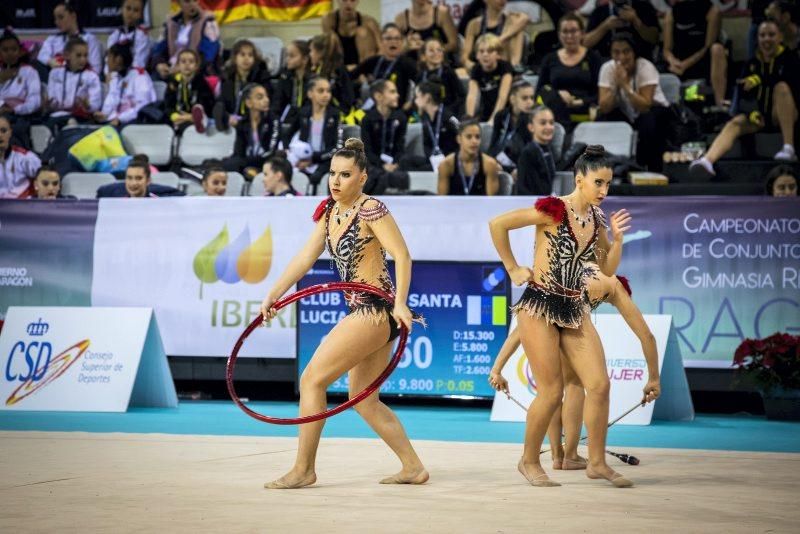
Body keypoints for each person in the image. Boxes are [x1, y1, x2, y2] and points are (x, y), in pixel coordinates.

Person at [259, 138, 428, 489]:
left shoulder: (371, 210)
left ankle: (304, 469)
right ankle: (413, 466)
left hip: (375, 310)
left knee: (312, 380)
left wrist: (400, 303)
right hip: (365, 311)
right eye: (333, 174)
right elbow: (304, 259)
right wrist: (273, 294)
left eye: (345, 175)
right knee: (363, 399)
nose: (336, 181)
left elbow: (403, 255)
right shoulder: (329, 212)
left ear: (362, 177)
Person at [488, 145, 636, 487]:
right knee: (552, 392)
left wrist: (617, 240)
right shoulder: (553, 210)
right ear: (579, 179)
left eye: (608, 184)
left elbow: (606, 269)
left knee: (598, 384)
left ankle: (596, 462)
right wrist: (512, 267)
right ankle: (528, 460)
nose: (604, 191)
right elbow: (498, 224)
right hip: (539, 304)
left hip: (573, 305)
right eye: (598, 182)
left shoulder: (597, 219)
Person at [488, 267, 661, 470]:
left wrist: (496, 369)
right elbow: (647, 336)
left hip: (542, 303)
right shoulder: (614, 286)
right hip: (566, 306)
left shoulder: (583, 265)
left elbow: (519, 332)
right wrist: (654, 378)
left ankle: (556, 455)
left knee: (550, 390)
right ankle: (570, 455)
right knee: (575, 383)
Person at [690, 19, 800, 175]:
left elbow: (792, 84)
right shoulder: (751, 63)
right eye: (762, 35)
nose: (766, 39)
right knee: (735, 123)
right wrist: (752, 113)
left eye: (771, 35)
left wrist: (760, 79)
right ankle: (707, 160)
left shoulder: (791, 59)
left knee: (781, 88)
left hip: (784, 114)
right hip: (760, 117)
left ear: (780, 37)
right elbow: (741, 96)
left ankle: (789, 147)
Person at [598, 33, 671, 171]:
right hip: (628, 114)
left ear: (634, 52)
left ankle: (649, 168)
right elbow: (604, 107)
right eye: (616, 52)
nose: (621, 57)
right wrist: (615, 87)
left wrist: (625, 85)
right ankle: (612, 166)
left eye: (626, 52)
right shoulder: (607, 69)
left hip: (656, 114)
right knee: (604, 117)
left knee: (647, 120)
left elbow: (645, 106)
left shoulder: (645, 67)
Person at [535, 13, 603, 130]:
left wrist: (580, 102)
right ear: (559, 34)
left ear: (582, 33)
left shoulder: (593, 58)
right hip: (555, 117)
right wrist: (557, 95)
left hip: (586, 115)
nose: (569, 36)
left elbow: (600, 93)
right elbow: (539, 91)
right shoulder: (549, 59)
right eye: (565, 32)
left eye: (573, 31)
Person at [282, 76, 343, 194]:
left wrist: (313, 158)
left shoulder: (334, 115)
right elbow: (286, 135)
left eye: (328, 91)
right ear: (310, 94)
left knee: (316, 177)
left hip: (325, 160)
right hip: (302, 159)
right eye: (321, 91)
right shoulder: (303, 113)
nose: (326, 95)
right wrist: (287, 151)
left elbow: (338, 147)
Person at [662, 0, 727, 107]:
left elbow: (707, 47)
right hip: (677, 64)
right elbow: (666, 49)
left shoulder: (712, 11)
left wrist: (685, 65)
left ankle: (719, 104)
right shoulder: (671, 13)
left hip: (701, 62)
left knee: (717, 49)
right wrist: (672, 61)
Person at [399, 80, 460, 172]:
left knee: (419, 171)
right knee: (405, 161)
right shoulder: (426, 118)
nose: (415, 101)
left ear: (427, 97)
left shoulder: (448, 117)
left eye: (417, 97)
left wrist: (447, 160)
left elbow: (461, 139)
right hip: (434, 160)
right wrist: (432, 158)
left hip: (451, 161)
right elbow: (426, 145)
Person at [45, 37, 103, 132]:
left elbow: (95, 105)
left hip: (80, 117)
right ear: (66, 55)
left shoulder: (92, 76)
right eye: (78, 55)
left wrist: (87, 105)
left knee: (70, 122)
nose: (83, 59)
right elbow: (52, 99)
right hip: (56, 115)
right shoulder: (55, 73)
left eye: (85, 55)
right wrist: (47, 104)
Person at [361, 80, 409, 194]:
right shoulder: (368, 119)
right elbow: (367, 150)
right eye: (392, 92)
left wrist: (395, 163)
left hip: (395, 164)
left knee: (404, 170)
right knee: (376, 174)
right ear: (378, 96)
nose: (397, 95)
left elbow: (400, 146)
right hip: (374, 164)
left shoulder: (401, 117)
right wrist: (382, 165)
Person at [355, 24, 418, 110]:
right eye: (388, 38)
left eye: (397, 38)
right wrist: (361, 81)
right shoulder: (373, 61)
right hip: (372, 109)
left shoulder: (409, 64)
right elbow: (350, 76)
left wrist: (409, 104)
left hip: (397, 111)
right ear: (381, 42)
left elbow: (420, 86)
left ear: (402, 42)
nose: (393, 42)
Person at [151, 0, 221, 78]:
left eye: (195, 0)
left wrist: (184, 67)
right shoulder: (170, 22)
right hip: (171, 69)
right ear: (178, 3)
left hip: (198, 72)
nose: (192, 4)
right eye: (187, 1)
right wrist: (160, 64)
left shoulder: (208, 22)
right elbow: (159, 49)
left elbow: (208, 55)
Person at [213, 39, 272, 131]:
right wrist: (229, 117)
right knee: (219, 107)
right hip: (233, 116)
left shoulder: (262, 76)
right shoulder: (228, 77)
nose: (246, 58)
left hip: (254, 117)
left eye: (250, 55)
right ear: (235, 58)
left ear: (254, 59)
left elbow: (265, 102)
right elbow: (222, 100)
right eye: (242, 55)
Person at [94, 44, 156, 127]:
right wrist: (104, 115)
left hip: (133, 125)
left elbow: (143, 106)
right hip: (113, 124)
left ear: (118, 59)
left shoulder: (140, 76)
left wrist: (120, 119)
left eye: (109, 56)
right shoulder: (115, 78)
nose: (106, 60)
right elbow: (111, 102)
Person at [224, 83, 279, 177]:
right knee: (223, 164)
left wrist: (247, 162)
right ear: (249, 103)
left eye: (267, 96)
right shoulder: (242, 124)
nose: (266, 100)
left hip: (267, 163)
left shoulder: (274, 121)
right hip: (247, 163)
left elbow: (270, 152)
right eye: (260, 97)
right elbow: (239, 152)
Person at [0, 30, 42, 148]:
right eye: (5, 50)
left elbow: (35, 101)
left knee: (15, 129)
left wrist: (15, 109)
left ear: (19, 51)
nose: (10, 53)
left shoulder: (29, 72)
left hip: (20, 116)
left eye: (14, 49)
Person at [37, 1, 103, 74]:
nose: (57, 22)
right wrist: (50, 61)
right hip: (58, 79)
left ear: (73, 16)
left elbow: (96, 69)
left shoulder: (90, 39)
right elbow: (41, 56)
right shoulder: (52, 39)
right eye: (55, 19)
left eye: (61, 17)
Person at [437, 119, 500, 195]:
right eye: (469, 137)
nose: (474, 141)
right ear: (459, 139)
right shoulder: (446, 165)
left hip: (481, 206)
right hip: (454, 206)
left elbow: (492, 201)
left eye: (477, 137)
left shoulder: (490, 164)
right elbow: (442, 201)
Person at [462, 0, 531, 69]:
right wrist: (475, 68)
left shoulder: (514, 24)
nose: (502, 0)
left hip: (504, 72)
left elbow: (515, 62)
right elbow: (464, 58)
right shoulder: (474, 24)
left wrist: (500, 40)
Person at [584, 0, 659, 60]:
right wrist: (604, 27)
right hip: (607, 61)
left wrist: (636, 21)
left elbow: (653, 39)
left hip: (640, 59)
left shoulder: (645, 7)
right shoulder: (599, 11)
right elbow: (586, 44)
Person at [164, 49, 215, 134]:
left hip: (196, 118)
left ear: (196, 66)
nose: (187, 64)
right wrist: (176, 116)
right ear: (178, 65)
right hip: (178, 117)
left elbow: (207, 104)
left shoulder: (201, 83)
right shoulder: (173, 83)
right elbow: (168, 104)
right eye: (183, 61)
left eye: (191, 62)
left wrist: (190, 117)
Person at [488, 80, 534, 171]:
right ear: (513, 99)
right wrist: (492, 162)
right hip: (500, 164)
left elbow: (529, 154)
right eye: (525, 98)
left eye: (532, 98)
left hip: (522, 168)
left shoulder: (534, 120)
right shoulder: (501, 116)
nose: (529, 102)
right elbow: (493, 145)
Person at [466, 34, 513, 123]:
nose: (485, 54)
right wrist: (469, 119)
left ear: (498, 55)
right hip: (487, 110)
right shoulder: (476, 69)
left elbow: (502, 97)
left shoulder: (505, 67)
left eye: (490, 51)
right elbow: (472, 96)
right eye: (481, 51)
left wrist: (492, 121)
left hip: (505, 111)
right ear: (477, 55)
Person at [321, 0, 381, 69]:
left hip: (362, 68)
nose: (348, 4)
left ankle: (365, 72)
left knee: (362, 32)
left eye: (352, 0)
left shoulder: (369, 22)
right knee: (330, 38)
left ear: (357, 1)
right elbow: (328, 48)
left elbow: (381, 49)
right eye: (344, 0)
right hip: (339, 67)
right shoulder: (329, 19)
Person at [515, 106, 558, 195]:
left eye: (551, 122)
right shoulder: (528, 153)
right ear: (531, 127)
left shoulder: (550, 150)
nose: (548, 127)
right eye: (543, 123)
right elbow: (523, 188)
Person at [96, 155, 184, 197]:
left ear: (148, 181)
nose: (133, 183)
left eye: (138, 178)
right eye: (129, 178)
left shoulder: (159, 203)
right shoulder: (113, 196)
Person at [310, 33, 355, 113]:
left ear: (320, 53)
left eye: (311, 51)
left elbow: (347, 100)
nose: (310, 54)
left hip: (336, 116)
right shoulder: (317, 70)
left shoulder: (337, 71)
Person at [0, 114, 41, 199]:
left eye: (3, 131)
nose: (0, 135)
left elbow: (44, 181)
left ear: (10, 132)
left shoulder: (27, 158)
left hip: (24, 207)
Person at [272, 40, 311, 122]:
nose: (287, 59)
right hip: (287, 121)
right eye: (287, 56)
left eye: (292, 56)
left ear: (305, 59)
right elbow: (277, 104)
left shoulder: (313, 80)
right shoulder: (284, 78)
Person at [107, 0, 151, 70]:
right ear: (122, 9)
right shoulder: (114, 35)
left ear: (141, 14)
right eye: (128, 8)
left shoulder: (142, 36)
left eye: (136, 10)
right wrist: (109, 74)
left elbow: (139, 64)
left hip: (134, 75)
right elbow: (109, 59)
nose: (131, 13)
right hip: (114, 74)